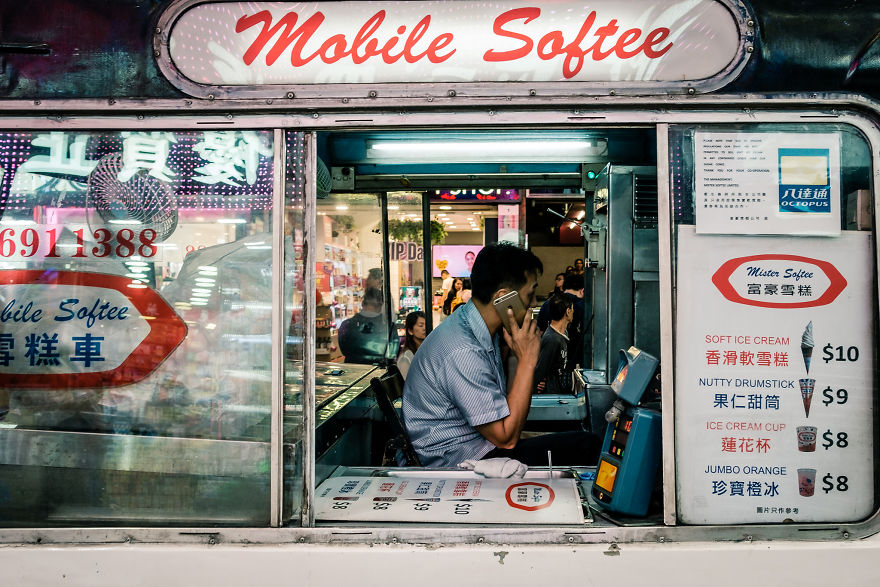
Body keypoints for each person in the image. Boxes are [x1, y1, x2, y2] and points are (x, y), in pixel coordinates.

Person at [402, 243, 601, 467]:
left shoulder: (480, 328)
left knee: (574, 437)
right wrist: (527, 360)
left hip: (478, 444)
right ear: (504, 298)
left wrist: (511, 352)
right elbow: (506, 438)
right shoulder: (465, 350)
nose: (534, 303)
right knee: (587, 446)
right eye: (530, 294)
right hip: (459, 459)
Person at [537, 272, 586, 368]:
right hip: (575, 362)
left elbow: (540, 331)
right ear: (582, 291)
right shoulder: (584, 306)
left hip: (550, 360)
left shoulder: (548, 303)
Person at [534, 295, 573, 395]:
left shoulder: (563, 334)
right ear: (568, 312)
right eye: (572, 309)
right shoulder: (552, 339)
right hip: (551, 394)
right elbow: (540, 369)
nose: (574, 311)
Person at [337, 287, 388, 364]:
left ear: (362, 304)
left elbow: (345, 350)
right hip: (378, 370)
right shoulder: (387, 326)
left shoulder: (347, 324)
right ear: (381, 306)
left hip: (354, 369)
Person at [397, 310, 426, 379]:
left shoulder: (426, 352)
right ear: (410, 331)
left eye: (426, 324)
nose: (425, 328)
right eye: (420, 325)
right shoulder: (406, 358)